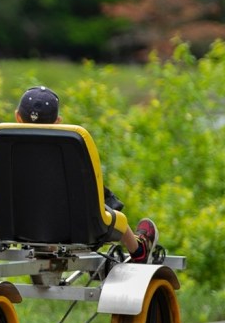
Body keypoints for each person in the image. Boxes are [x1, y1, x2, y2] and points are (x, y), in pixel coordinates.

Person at [14, 85, 159, 263]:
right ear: (58, 121)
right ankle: (139, 250)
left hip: (21, 222)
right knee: (116, 217)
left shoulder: (4, 142)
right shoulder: (68, 146)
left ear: (17, 117)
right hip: (70, 225)